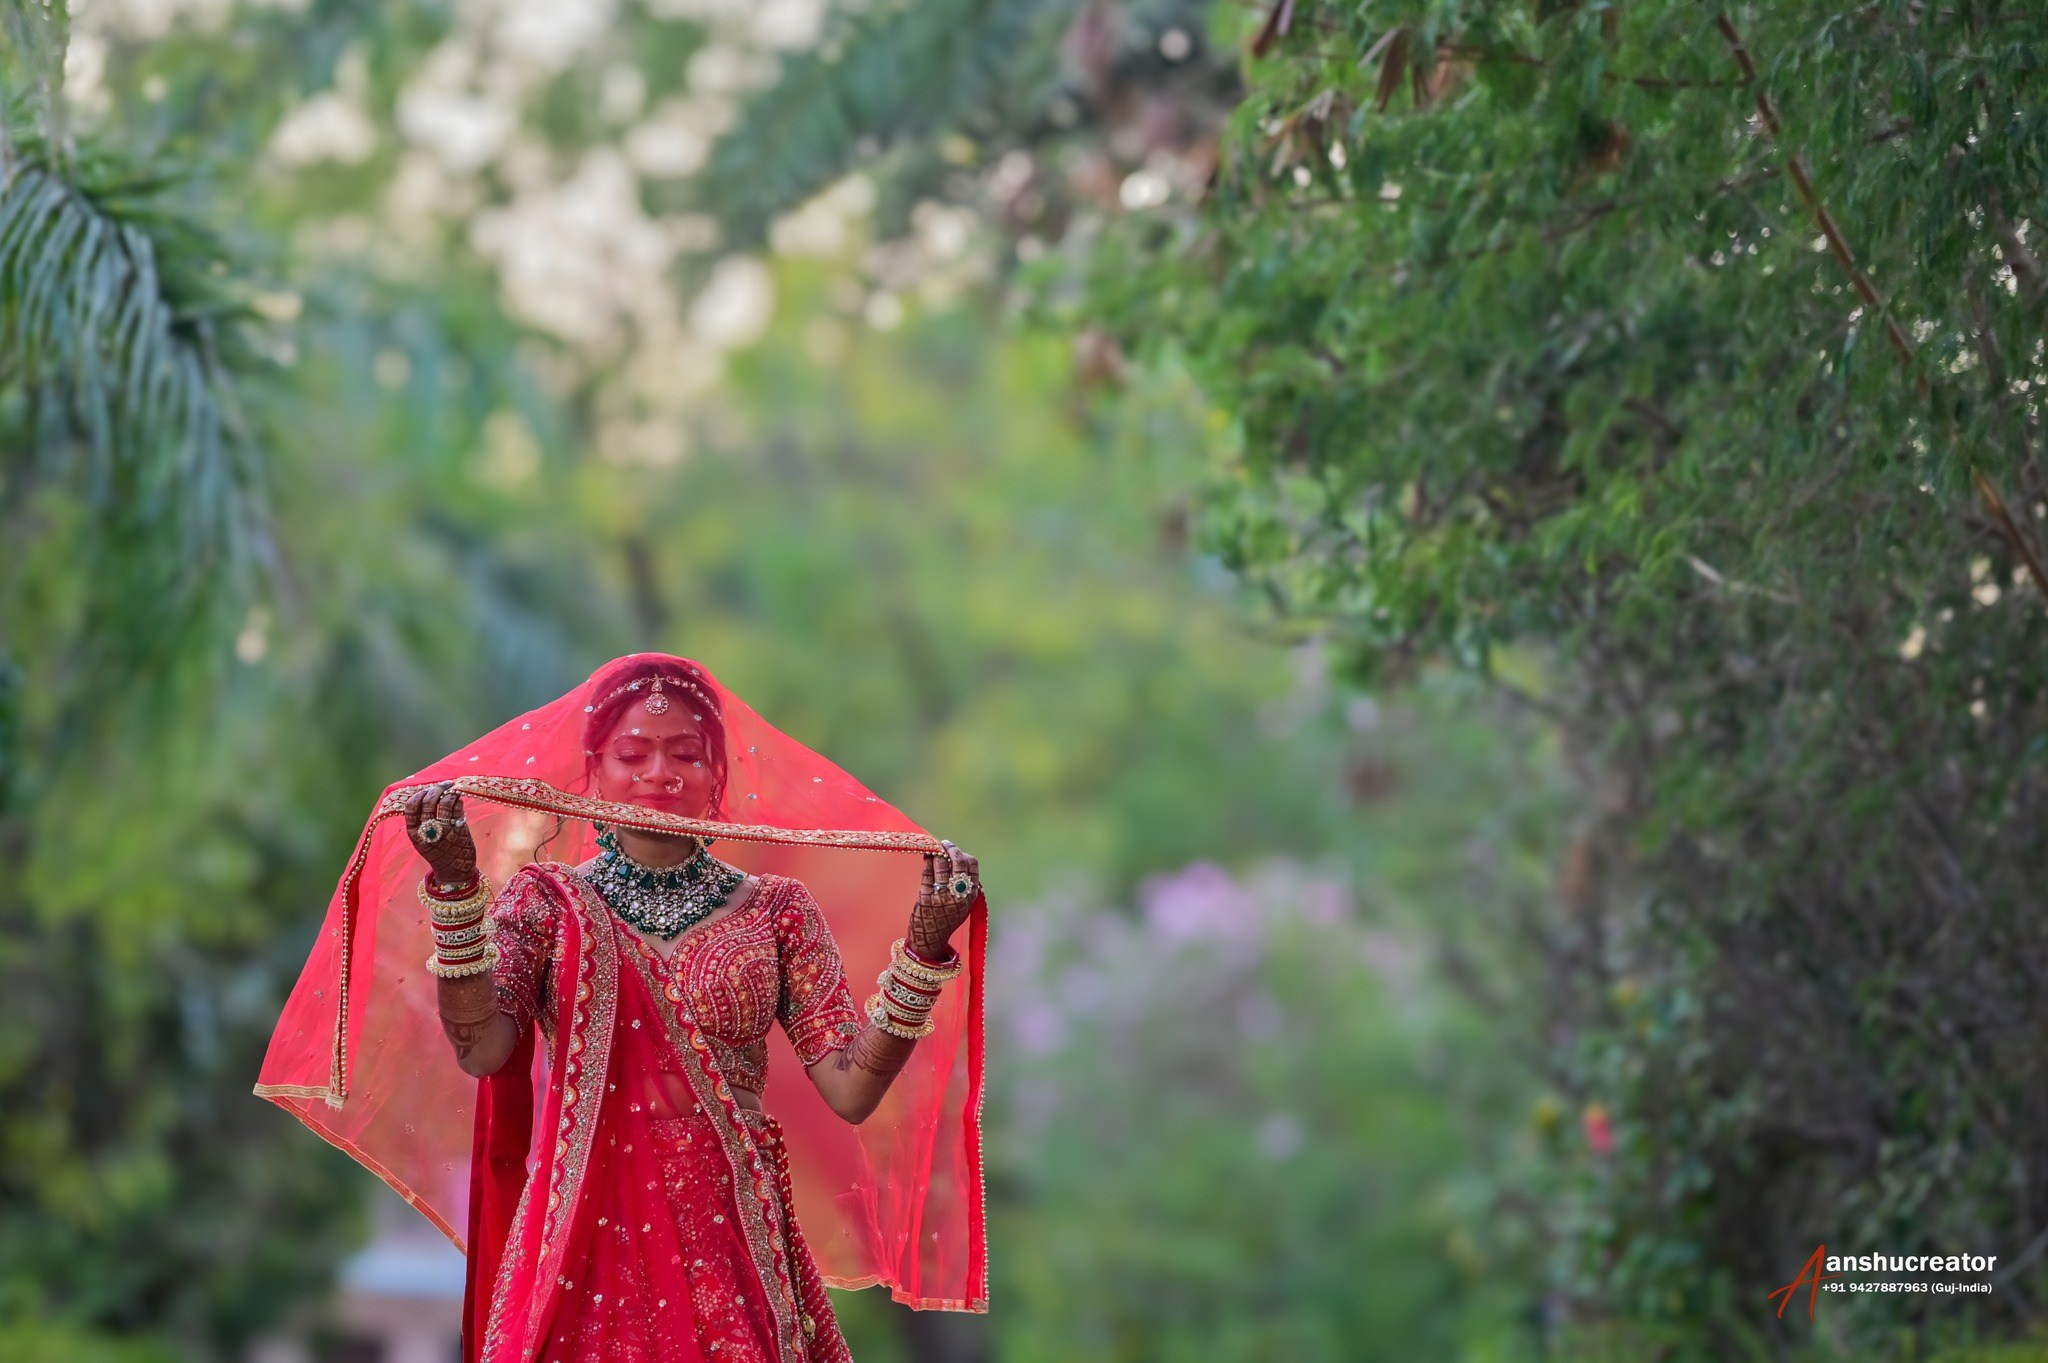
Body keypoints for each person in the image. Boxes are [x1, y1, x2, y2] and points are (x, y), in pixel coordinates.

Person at [256, 654, 989, 1363]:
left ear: (718, 777)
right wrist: (454, 889)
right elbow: (483, 1050)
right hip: (586, 1240)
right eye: (632, 753)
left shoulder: (776, 911)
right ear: (594, 770)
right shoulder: (547, 903)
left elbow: (852, 1088)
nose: (659, 774)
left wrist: (923, 957)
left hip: (731, 1239)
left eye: (685, 754)